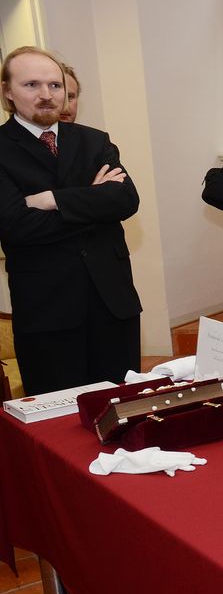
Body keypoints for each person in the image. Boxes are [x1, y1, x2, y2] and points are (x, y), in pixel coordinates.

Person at [0, 46, 141, 396]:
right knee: (59, 417)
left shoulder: (94, 140)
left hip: (112, 304)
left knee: (123, 409)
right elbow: (15, 225)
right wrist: (93, 200)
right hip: (47, 311)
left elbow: (126, 199)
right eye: (32, 85)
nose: (47, 95)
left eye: (55, 85)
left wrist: (51, 200)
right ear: (7, 91)